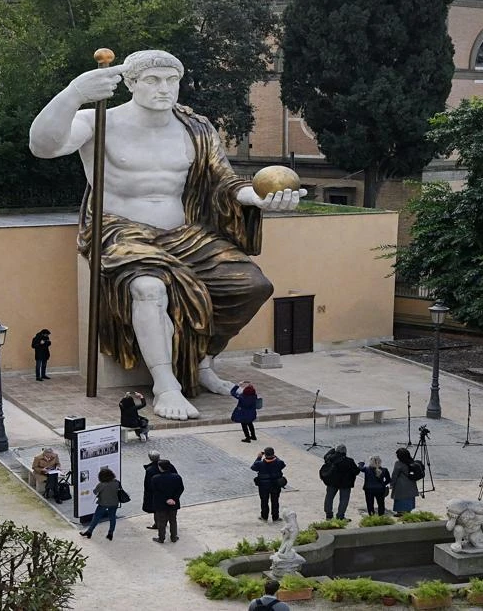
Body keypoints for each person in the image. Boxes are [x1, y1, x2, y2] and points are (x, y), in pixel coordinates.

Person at [29, 49, 305, 422]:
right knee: (149, 289)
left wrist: (255, 197)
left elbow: (222, 182)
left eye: (172, 80)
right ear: (130, 83)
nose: (164, 89)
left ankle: (203, 363)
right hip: (121, 230)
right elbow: (43, 147)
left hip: (184, 234)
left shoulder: (197, 128)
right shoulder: (98, 122)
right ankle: (165, 384)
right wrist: (74, 92)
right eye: (152, 80)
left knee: (252, 285)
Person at [319, 444, 360, 520]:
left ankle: (328, 515)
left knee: (329, 498)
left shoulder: (330, 458)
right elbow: (356, 471)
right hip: (345, 484)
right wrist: (360, 467)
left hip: (332, 482)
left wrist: (333, 450)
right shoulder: (349, 461)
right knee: (344, 500)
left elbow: (326, 456)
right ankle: (340, 516)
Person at [80, 467, 121, 540]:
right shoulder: (116, 482)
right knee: (112, 518)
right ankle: (110, 534)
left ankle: (89, 532)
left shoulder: (101, 484)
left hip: (103, 503)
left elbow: (95, 492)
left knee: (96, 517)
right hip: (114, 503)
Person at [149, 459, 184, 543]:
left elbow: (155, 491)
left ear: (160, 468)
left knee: (161, 522)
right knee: (173, 520)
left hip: (160, 504)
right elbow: (181, 489)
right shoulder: (177, 477)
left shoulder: (155, 478)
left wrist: (166, 499)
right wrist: (173, 499)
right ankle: (174, 537)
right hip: (173, 503)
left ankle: (161, 538)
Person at [142, 450, 177, 528]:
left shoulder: (150, 470)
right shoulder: (168, 465)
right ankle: (164, 522)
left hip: (156, 493)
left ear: (150, 458)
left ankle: (158, 525)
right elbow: (175, 476)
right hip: (169, 491)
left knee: (157, 510)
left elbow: (147, 484)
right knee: (168, 508)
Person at [251, 447, 286, 522]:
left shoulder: (259, 463)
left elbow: (253, 467)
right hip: (275, 484)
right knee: (275, 501)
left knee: (264, 501)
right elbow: (283, 464)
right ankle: (275, 517)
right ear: (274, 454)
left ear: (265, 454)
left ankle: (264, 517)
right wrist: (275, 457)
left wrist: (259, 457)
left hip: (263, 486)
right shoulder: (279, 462)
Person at [389, 448, 419, 515]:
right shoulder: (412, 462)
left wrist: (392, 484)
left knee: (400, 498)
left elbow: (394, 475)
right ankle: (408, 511)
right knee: (409, 497)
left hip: (401, 484)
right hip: (411, 483)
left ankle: (400, 512)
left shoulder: (398, 463)